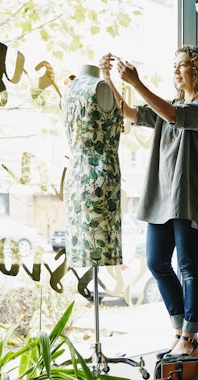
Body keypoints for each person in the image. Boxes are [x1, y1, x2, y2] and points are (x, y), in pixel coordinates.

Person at [99, 46, 198, 357]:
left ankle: (191, 338)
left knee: (188, 265)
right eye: (175, 67)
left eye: (183, 65)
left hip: (189, 197)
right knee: (156, 262)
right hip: (161, 197)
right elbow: (127, 112)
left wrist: (137, 82)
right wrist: (107, 78)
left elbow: (173, 116)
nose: (177, 72)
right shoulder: (170, 105)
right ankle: (180, 329)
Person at [60, 64, 124, 268]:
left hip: (75, 176)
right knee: (98, 249)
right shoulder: (99, 87)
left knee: (84, 248)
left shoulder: (68, 90)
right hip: (99, 177)